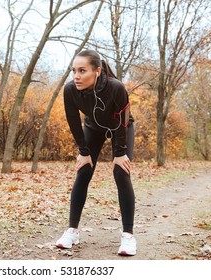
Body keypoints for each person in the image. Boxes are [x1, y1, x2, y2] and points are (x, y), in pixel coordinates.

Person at [55, 49, 136, 256]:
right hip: (93, 127)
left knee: (121, 172)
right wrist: (84, 152)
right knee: (83, 170)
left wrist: (120, 153)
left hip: (121, 126)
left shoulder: (115, 87)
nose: (76, 76)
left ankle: (128, 236)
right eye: (74, 70)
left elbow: (122, 119)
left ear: (97, 71)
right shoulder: (70, 89)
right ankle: (72, 231)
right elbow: (73, 121)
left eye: (82, 70)